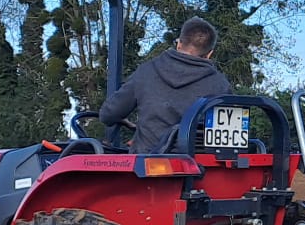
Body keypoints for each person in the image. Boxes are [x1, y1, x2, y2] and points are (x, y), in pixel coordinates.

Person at [98, 17, 232, 153]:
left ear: (179, 44)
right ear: (209, 54)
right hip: (200, 166)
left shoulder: (146, 71)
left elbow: (108, 114)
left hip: (147, 165)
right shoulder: (221, 85)